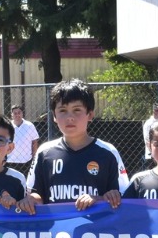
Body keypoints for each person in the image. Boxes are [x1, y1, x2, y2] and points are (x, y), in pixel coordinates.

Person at [17, 79, 128, 213]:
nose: (70, 117)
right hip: (56, 232)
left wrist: (99, 199)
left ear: (90, 115)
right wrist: (30, 200)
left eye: (77, 110)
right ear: (54, 116)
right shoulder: (44, 152)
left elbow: (123, 198)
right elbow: (36, 195)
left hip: (97, 231)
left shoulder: (108, 152)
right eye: (63, 110)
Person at [8, 104, 39, 174]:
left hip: (26, 160)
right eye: (15, 113)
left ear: (22, 114)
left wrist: (34, 157)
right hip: (10, 160)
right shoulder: (8, 126)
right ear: (11, 115)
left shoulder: (29, 125)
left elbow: (34, 141)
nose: (17, 115)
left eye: (19, 113)